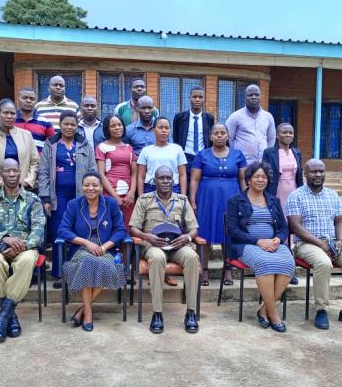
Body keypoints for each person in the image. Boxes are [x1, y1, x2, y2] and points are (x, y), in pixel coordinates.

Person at [286, 159, 342, 330]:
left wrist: (340, 241)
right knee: (323, 263)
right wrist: (321, 244)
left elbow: (340, 221)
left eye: (321, 171)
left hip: (332, 242)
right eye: (313, 172)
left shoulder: (332, 195)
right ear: (305, 174)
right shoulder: (296, 196)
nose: (318, 175)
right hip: (306, 244)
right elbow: (295, 227)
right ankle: (321, 310)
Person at [0, 158, 46, 342]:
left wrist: (22, 245)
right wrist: (4, 239)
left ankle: (2, 318)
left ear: (20, 173)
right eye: (7, 171)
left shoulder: (33, 200)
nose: (11, 174)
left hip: (25, 247)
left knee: (26, 260)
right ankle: (10, 317)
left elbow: (39, 231)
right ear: (0, 174)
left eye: (15, 171)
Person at [129, 166, 201, 334]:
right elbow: (133, 228)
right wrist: (147, 237)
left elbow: (194, 228)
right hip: (154, 245)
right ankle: (157, 313)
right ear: (154, 181)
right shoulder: (145, 200)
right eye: (162, 178)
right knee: (157, 257)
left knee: (191, 257)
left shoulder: (182, 201)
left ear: (173, 180)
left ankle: (191, 312)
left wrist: (187, 237)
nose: (166, 181)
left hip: (178, 245)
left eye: (169, 178)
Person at [226, 162, 294, 333]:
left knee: (288, 263)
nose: (260, 179)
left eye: (264, 176)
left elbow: (284, 228)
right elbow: (232, 230)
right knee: (265, 263)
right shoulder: (236, 201)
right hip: (246, 245)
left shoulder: (273, 200)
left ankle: (264, 310)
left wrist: (278, 239)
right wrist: (258, 241)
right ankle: (274, 313)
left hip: (273, 243)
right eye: (256, 176)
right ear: (248, 179)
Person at [58, 172, 128, 332]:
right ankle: (88, 315)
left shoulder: (110, 204)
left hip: (105, 250)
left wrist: (104, 247)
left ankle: (82, 310)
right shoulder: (74, 205)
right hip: (80, 251)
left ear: (102, 187)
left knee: (109, 268)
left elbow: (120, 230)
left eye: (95, 185)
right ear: (81, 187)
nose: (91, 188)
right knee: (88, 262)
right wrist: (86, 242)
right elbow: (63, 230)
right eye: (87, 185)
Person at [39, 110, 98, 286]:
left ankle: (77, 271)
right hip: (58, 196)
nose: (70, 127)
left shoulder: (84, 144)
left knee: (80, 231)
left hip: (81, 195)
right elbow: (43, 173)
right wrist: (46, 199)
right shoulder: (51, 144)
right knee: (60, 233)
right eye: (66, 124)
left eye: (73, 124)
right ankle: (59, 273)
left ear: (76, 125)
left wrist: (92, 193)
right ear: (60, 124)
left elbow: (93, 168)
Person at [189, 123, 246, 286]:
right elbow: (194, 179)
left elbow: (242, 179)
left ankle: (228, 269)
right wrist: (192, 201)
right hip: (207, 199)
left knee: (228, 233)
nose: (219, 135)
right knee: (204, 234)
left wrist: (245, 200)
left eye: (223, 133)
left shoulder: (238, 155)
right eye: (216, 133)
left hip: (231, 198)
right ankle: (203, 271)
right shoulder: (202, 155)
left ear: (228, 135)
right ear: (210, 136)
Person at [0, 99, 39, 194]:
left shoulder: (26, 135)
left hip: (25, 190)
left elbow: (35, 162)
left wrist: (26, 182)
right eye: (5, 113)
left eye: (12, 113)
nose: (9, 116)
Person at [95, 114, 138, 226]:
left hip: (128, 197)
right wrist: (115, 196)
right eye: (113, 126)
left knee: (128, 228)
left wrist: (132, 192)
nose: (117, 127)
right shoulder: (101, 147)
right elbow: (101, 174)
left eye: (119, 125)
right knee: (109, 227)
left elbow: (134, 173)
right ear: (107, 129)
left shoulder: (129, 147)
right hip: (109, 194)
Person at [225, 84, 276, 164]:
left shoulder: (268, 117)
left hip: (262, 163)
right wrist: (234, 157)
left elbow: (271, 139)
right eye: (250, 95)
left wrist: (267, 157)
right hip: (242, 164)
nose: (254, 97)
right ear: (245, 97)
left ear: (260, 97)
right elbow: (228, 139)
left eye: (257, 95)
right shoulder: (235, 116)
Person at [137, 116, 188, 195]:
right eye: (160, 127)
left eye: (167, 128)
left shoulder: (177, 149)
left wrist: (183, 195)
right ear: (154, 130)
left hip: (173, 189)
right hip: (151, 189)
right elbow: (141, 176)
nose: (164, 130)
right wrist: (140, 196)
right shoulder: (145, 151)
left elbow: (182, 175)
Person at [262, 123, 303, 215]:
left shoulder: (297, 153)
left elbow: (299, 176)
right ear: (277, 135)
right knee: (279, 216)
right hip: (276, 190)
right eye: (284, 132)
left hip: (294, 190)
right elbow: (264, 174)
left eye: (290, 133)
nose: (288, 135)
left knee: (293, 216)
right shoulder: (269, 152)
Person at [172, 86, 214, 172]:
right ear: (189, 98)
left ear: (204, 99)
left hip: (203, 157)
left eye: (200, 97)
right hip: (185, 157)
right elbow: (176, 138)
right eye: (194, 97)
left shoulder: (209, 118)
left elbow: (210, 139)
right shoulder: (180, 117)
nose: (197, 100)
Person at [14, 86, 55, 154]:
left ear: (36, 101)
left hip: (38, 163)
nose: (28, 101)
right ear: (17, 99)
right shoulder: (10, 120)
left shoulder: (45, 122)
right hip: (14, 163)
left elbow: (52, 146)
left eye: (32, 99)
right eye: (25, 98)